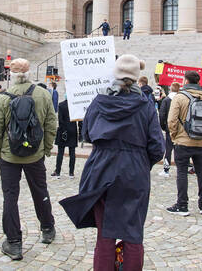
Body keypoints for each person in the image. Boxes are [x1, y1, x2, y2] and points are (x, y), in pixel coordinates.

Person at [60, 54, 165, 270]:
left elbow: (87, 134)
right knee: (133, 232)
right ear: (137, 78)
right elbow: (157, 148)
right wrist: (141, 163)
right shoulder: (146, 106)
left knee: (105, 233)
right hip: (134, 170)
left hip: (102, 167)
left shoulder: (99, 102)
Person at [0, 58, 57, 260]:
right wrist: (46, 149)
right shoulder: (43, 94)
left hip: (9, 156)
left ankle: (14, 242)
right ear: (28, 74)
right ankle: (47, 228)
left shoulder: (2, 98)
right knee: (40, 191)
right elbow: (52, 124)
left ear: (11, 75)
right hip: (35, 154)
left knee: (10, 197)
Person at [166, 70, 202, 216]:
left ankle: (182, 205)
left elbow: (171, 120)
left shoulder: (180, 97)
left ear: (186, 81)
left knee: (182, 172)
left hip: (183, 141)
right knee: (201, 172)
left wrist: (175, 136)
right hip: (200, 142)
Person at [52, 97, 78, 178]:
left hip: (63, 130)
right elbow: (79, 119)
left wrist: (63, 130)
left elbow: (60, 120)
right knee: (72, 152)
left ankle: (58, 171)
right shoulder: (75, 105)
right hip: (73, 130)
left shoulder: (61, 105)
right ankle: (71, 173)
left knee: (60, 152)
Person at [158, 82, 179, 177]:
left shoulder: (166, 100)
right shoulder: (181, 99)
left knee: (169, 149)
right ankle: (181, 169)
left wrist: (163, 126)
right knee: (179, 149)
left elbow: (162, 115)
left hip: (169, 127)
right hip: (180, 128)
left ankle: (166, 169)